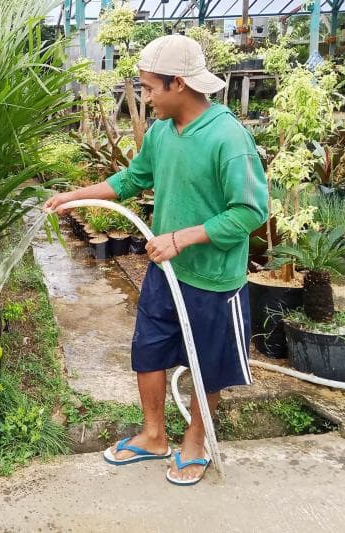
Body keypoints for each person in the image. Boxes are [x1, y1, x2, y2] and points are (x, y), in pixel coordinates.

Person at [44, 35, 268, 486]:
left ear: (178, 83)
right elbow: (132, 179)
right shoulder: (163, 132)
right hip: (165, 271)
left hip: (213, 279)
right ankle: (153, 436)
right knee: (148, 351)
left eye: (149, 88)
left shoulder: (228, 138)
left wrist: (181, 238)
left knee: (207, 366)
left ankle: (195, 442)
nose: (145, 97)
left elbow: (250, 212)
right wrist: (74, 195)